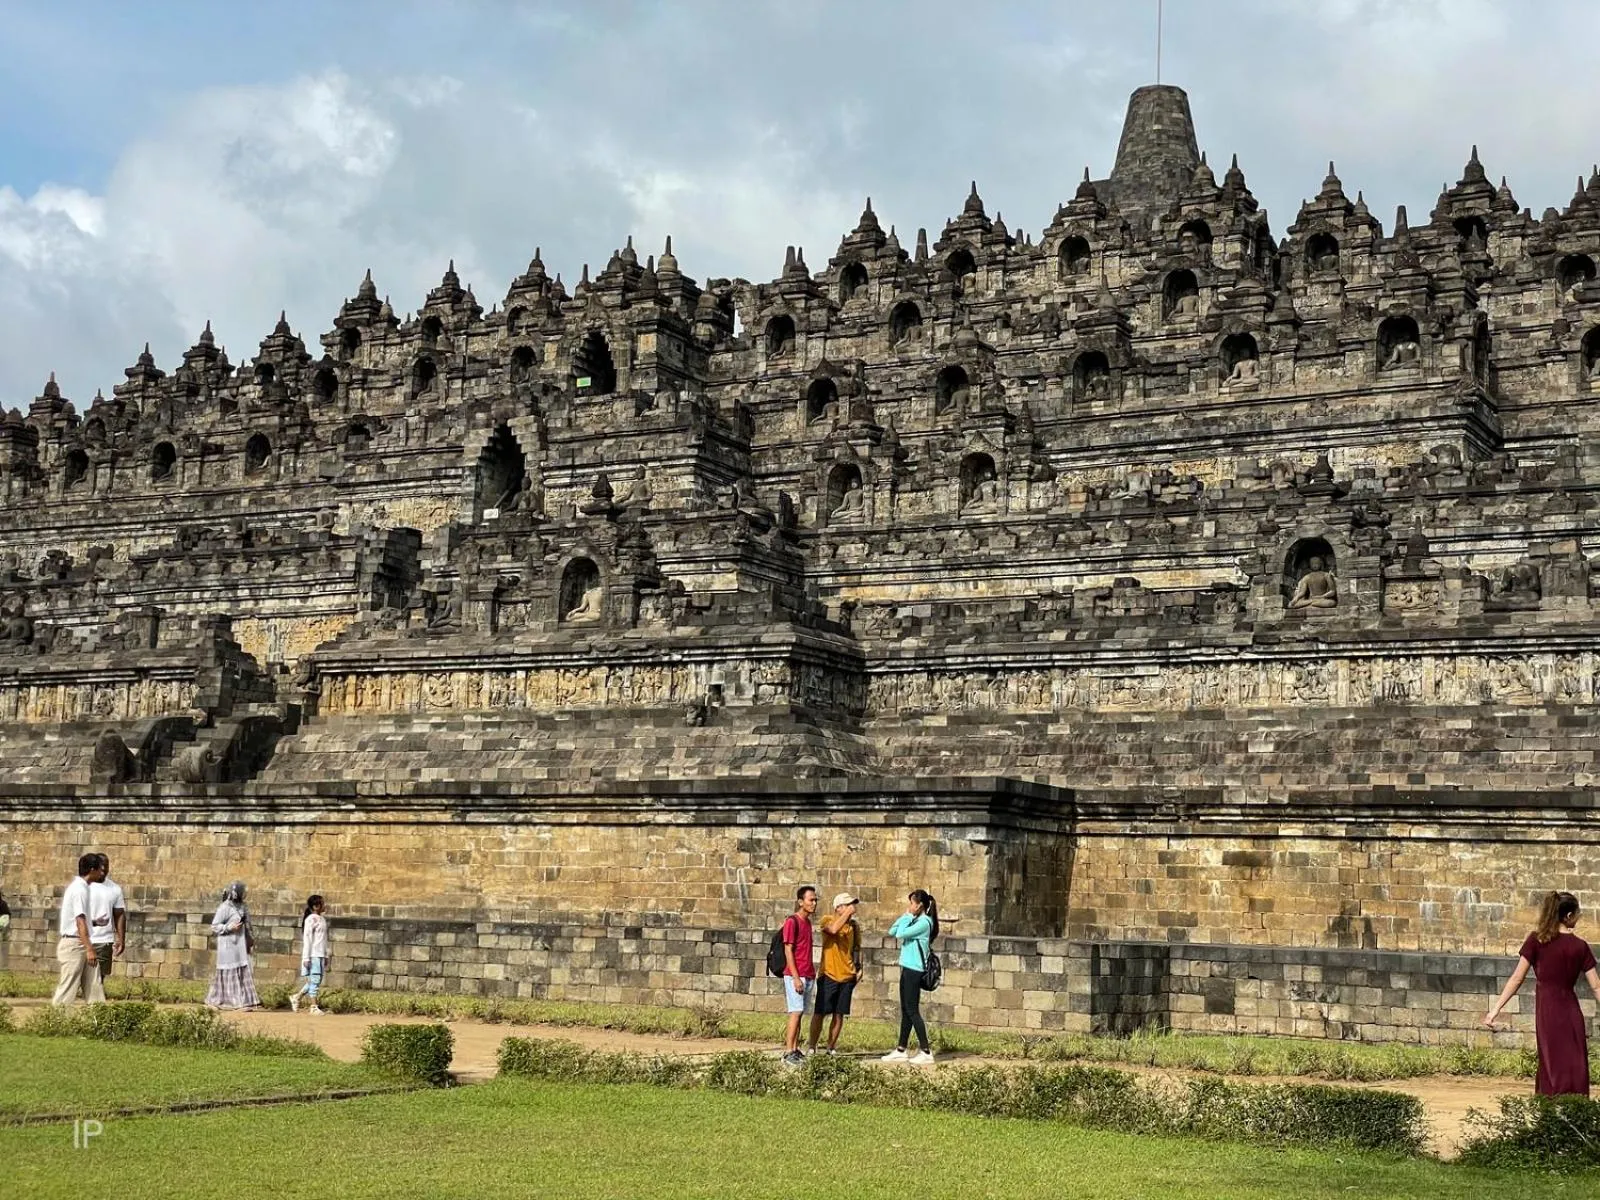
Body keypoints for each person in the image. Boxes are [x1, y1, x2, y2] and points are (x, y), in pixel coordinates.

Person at [1484, 891, 1600, 1095]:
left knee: (1551, 1062)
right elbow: (1596, 986)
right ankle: (1575, 1110)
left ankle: (1551, 1111)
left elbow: (1516, 978)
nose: (1579, 917)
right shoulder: (1580, 946)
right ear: (1568, 916)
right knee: (1575, 1062)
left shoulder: (1536, 940)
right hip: (1571, 1012)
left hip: (1548, 1012)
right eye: (1578, 914)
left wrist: (1495, 1010)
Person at [882, 889, 939, 1065]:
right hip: (907, 968)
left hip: (915, 970)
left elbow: (900, 934)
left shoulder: (924, 923)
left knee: (913, 1011)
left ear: (919, 905)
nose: (909, 907)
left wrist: (907, 916)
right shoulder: (915, 920)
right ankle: (901, 1049)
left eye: (911, 904)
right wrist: (907, 915)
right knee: (906, 1010)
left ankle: (926, 1051)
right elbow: (892, 931)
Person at [808, 893, 863, 1056]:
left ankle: (831, 1047)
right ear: (838, 908)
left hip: (847, 975)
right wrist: (846, 914)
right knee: (820, 1012)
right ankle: (812, 1046)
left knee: (839, 1014)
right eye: (847, 905)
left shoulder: (854, 927)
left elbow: (857, 948)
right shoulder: (827, 920)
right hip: (829, 974)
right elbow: (832, 930)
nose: (851, 908)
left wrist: (859, 968)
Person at [52, 853, 106, 1006]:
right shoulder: (79, 889)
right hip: (75, 944)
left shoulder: (83, 888)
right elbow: (79, 921)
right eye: (100, 870)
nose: (102, 873)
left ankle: (99, 1020)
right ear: (91, 869)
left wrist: (94, 922)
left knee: (94, 985)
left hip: (81, 941)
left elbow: (81, 920)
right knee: (69, 985)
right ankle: (55, 1022)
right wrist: (89, 949)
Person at [205, 881, 260, 1010]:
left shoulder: (242, 907)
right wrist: (229, 927)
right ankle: (220, 1001)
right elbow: (214, 926)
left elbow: (247, 924)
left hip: (239, 945)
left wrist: (249, 937)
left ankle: (242, 1001)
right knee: (228, 971)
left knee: (241, 970)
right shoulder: (225, 907)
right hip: (228, 945)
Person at [780, 885, 818, 1065]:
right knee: (795, 1011)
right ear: (801, 902)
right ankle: (788, 1051)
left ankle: (795, 1048)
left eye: (815, 899)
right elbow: (788, 950)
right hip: (796, 974)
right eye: (811, 899)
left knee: (800, 1012)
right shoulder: (792, 922)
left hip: (807, 973)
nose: (814, 903)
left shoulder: (807, 922)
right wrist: (795, 977)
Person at [87, 853, 127, 990]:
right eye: (101, 865)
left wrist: (121, 939)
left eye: (106, 865)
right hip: (83, 938)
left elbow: (119, 914)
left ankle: (94, 1007)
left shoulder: (114, 889)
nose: (104, 868)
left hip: (104, 940)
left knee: (99, 979)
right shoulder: (84, 886)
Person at [290, 894, 329, 1014]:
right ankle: (313, 1006)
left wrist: (326, 955)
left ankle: (296, 997)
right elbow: (307, 939)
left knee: (315, 980)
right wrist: (306, 957)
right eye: (322, 903)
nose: (324, 905)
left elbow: (324, 938)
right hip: (313, 954)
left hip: (321, 954)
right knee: (315, 980)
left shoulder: (322, 919)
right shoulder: (310, 919)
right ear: (316, 906)